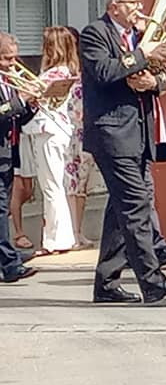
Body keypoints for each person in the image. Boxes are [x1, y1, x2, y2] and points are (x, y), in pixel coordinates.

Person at [81, 0, 166, 304]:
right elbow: (103, 72)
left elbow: (161, 75)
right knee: (136, 206)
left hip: (139, 133)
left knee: (120, 210)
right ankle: (152, 281)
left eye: (140, 2)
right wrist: (142, 54)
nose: (141, 9)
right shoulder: (95, 33)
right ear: (114, 7)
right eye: (134, 4)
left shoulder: (139, 37)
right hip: (112, 134)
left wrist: (156, 79)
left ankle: (107, 284)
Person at [21, 26, 78, 254]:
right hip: (55, 130)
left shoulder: (56, 73)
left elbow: (30, 89)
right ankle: (61, 237)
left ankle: (56, 240)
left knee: (51, 187)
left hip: (49, 131)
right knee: (54, 185)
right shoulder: (66, 70)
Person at [0, 32, 38, 283]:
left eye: (14, 58)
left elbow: (15, 118)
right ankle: (9, 263)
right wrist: (20, 100)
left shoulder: (7, 82)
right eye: (6, 59)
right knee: (1, 208)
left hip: (7, 152)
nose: (13, 64)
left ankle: (8, 258)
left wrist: (31, 106)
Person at [63, 26, 96, 249]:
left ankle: (78, 231)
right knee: (69, 184)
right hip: (68, 131)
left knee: (81, 185)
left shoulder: (85, 72)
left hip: (83, 131)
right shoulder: (62, 73)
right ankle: (70, 232)